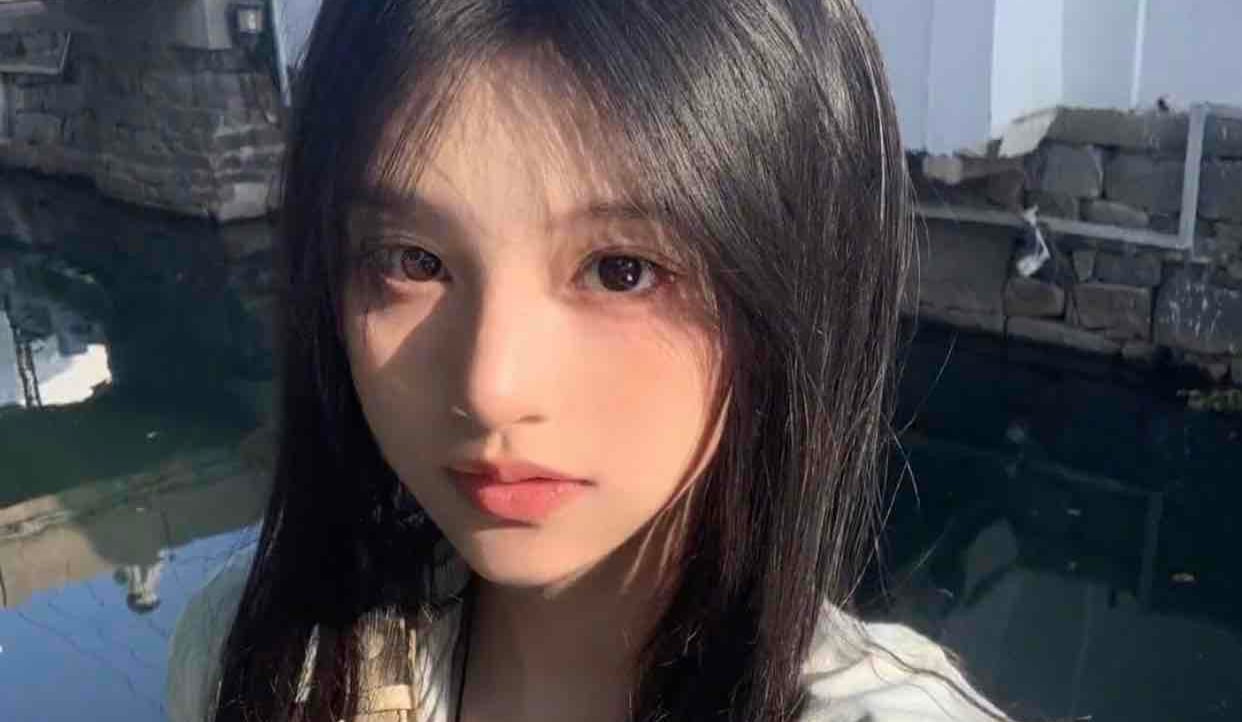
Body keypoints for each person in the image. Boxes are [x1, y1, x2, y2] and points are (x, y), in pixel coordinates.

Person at [167, 1, 1013, 721]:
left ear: (796, 286)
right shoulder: (263, 659)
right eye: (412, 261)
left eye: (622, 271)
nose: (490, 389)